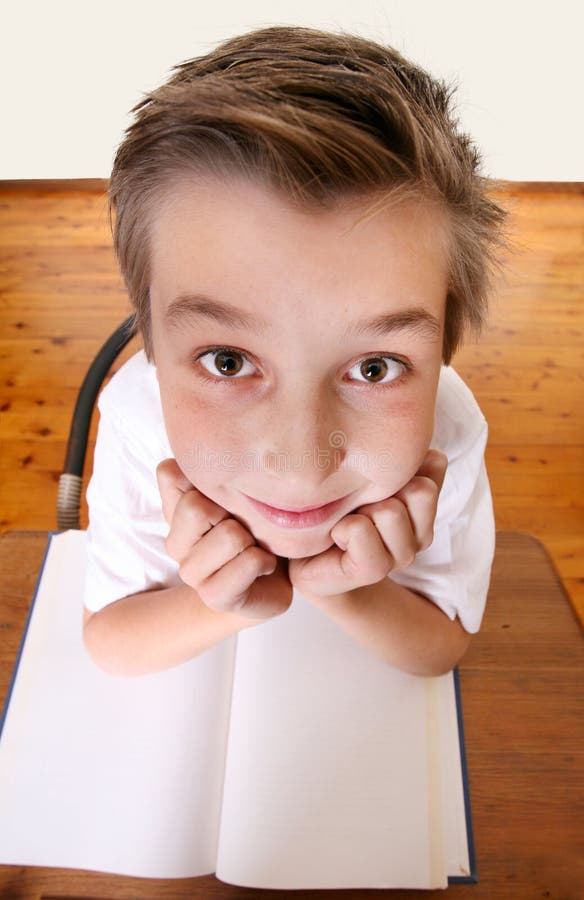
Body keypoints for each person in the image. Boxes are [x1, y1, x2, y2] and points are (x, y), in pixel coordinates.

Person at [82, 24, 507, 678]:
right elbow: (110, 639)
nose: (302, 467)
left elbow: (440, 647)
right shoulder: (139, 419)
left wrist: (345, 585)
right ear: (153, 343)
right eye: (228, 360)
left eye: (375, 367)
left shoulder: (450, 430)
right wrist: (233, 603)